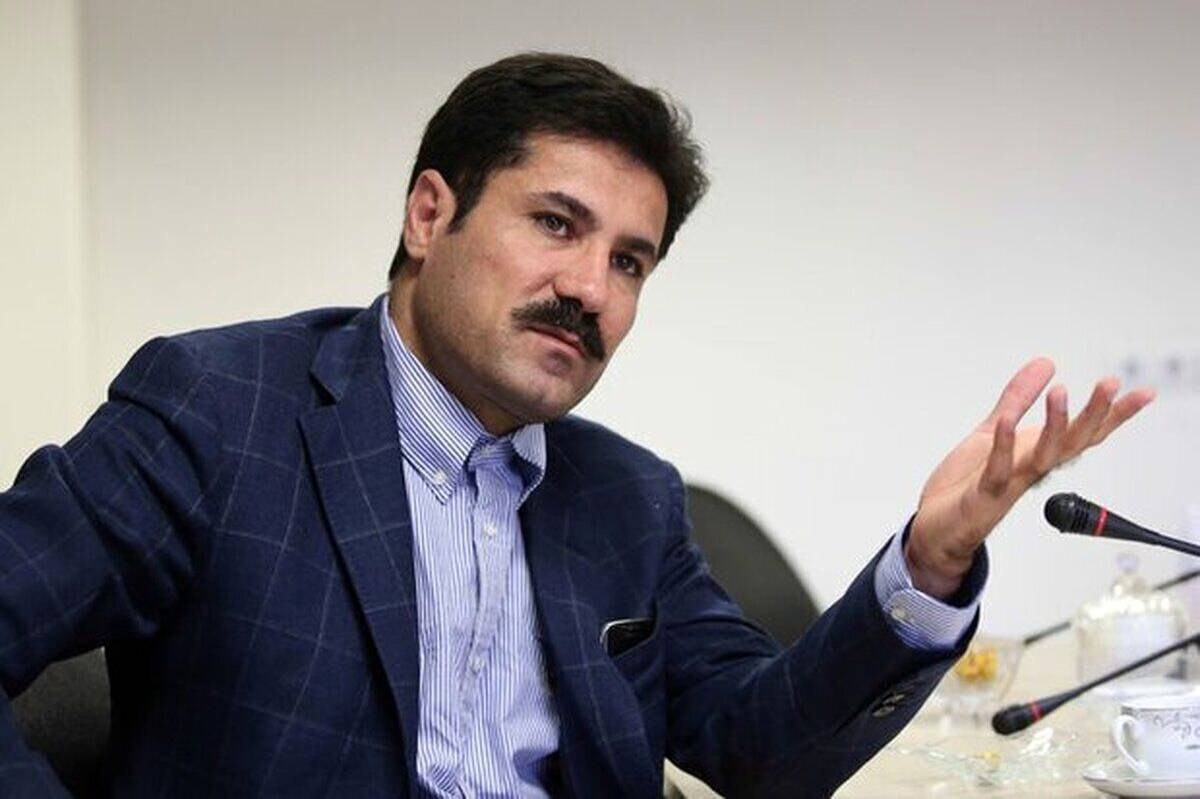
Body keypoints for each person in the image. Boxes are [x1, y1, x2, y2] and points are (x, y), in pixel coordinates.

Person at [0, 53, 1152, 799]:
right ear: (429, 213)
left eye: (630, 261)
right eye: (557, 223)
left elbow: (762, 751)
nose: (590, 289)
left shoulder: (625, 497)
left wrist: (931, 559)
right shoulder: (221, 408)